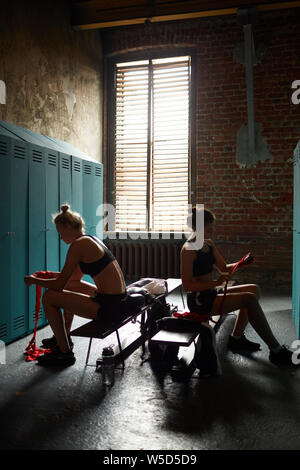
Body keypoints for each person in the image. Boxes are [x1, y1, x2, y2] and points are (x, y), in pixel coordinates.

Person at [181, 206, 297, 371]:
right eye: (209, 229)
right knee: (249, 298)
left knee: (254, 289)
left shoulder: (209, 244)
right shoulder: (188, 249)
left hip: (212, 292)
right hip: (200, 300)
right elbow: (188, 285)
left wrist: (242, 262)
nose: (212, 233)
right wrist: (216, 283)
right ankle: (276, 351)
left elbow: (224, 268)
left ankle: (236, 339)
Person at [24, 204, 127, 366]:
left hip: (109, 308)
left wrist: (33, 280)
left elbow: (58, 285)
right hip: (119, 301)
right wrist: (47, 274)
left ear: (68, 226)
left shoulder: (78, 246)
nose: (60, 238)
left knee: (49, 296)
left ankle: (64, 353)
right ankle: (63, 337)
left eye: (60, 232)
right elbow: (72, 279)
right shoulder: (89, 240)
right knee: (71, 285)